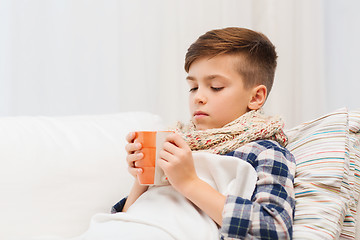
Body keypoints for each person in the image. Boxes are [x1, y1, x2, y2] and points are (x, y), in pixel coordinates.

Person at [112, 27, 295, 239]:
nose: (198, 97)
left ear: (255, 98)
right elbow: (128, 219)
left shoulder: (264, 152)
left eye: (215, 87)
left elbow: (274, 229)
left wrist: (189, 183)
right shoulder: (178, 142)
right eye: (193, 87)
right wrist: (142, 179)